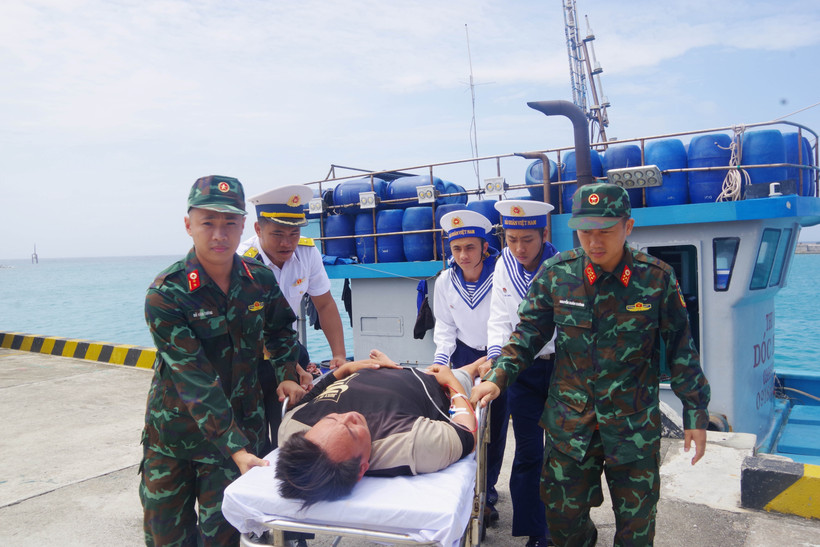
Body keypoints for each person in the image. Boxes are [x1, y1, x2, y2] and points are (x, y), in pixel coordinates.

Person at [472, 183, 711, 546]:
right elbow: (527, 335)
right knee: (564, 524)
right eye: (586, 232)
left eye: (606, 232)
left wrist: (695, 411)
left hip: (632, 428)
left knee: (637, 530)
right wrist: (498, 377)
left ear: (627, 227)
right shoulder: (557, 275)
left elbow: (681, 349)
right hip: (571, 427)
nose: (594, 242)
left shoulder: (656, 279)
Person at [139, 175, 307, 546]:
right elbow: (193, 377)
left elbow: (281, 329)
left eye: (229, 223)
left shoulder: (259, 280)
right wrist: (237, 448)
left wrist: (285, 373)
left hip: (240, 438)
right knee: (167, 538)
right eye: (208, 223)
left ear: (243, 226)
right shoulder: (166, 294)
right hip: (175, 441)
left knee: (227, 538)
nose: (219, 234)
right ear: (189, 226)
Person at [276, 350, 481, 506]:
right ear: (361, 469)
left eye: (332, 418)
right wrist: (452, 382)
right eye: (352, 428)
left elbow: (311, 398)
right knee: (475, 367)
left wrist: (344, 370)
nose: (349, 414)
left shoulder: (294, 428)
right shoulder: (409, 443)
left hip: (375, 371)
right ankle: (475, 368)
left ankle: (388, 364)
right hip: (433, 380)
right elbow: (467, 434)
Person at [237, 184, 348, 446]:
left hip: (288, 350)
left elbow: (325, 305)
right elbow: (244, 328)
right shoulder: (241, 262)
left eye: (294, 233)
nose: (287, 242)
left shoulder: (308, 253)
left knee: (290, 431)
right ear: (258, 229)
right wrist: (289, 365)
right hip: (250, 358)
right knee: (253, 436)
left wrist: (339, 356)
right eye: (277, 233)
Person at [488, 199, 559, 547]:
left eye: (527, 239)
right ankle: (536, 531)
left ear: (544, 235)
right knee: (529, 450)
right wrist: (495, 360)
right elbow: (499, 316)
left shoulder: (562, 265)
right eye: (511, 239)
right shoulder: (504, 264)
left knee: (563, 453)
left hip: (562, 369)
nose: (519, 248)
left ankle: (563, 526)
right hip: (522, 369)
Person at [432, 209, 507, 526]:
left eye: (470, 247)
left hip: (497, 354)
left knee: (496, 426)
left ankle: (487, 490)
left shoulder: (502, 274)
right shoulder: (444, 281)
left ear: (484, 247)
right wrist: (440, 363)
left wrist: (495, 357)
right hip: (463, 356)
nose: (463, 255)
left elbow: (501, 320)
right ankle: (468, 488)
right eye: (456, 248)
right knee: (467, 423)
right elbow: (445, 328)